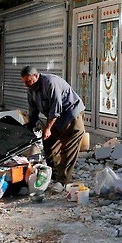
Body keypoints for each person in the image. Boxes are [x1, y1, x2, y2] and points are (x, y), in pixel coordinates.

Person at [22, 66, 85, 194]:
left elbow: (56, 108)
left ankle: (63, 181)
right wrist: (29, 127)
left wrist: (48, 128)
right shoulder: (31, 89)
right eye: (24, 82)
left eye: (28, 81)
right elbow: (33, 110)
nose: (26, 84)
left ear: (36, 76)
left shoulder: (50, 83)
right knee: (48, 144)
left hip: (71, 116)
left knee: (67, 149)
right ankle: (53, 175)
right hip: (56, 118)